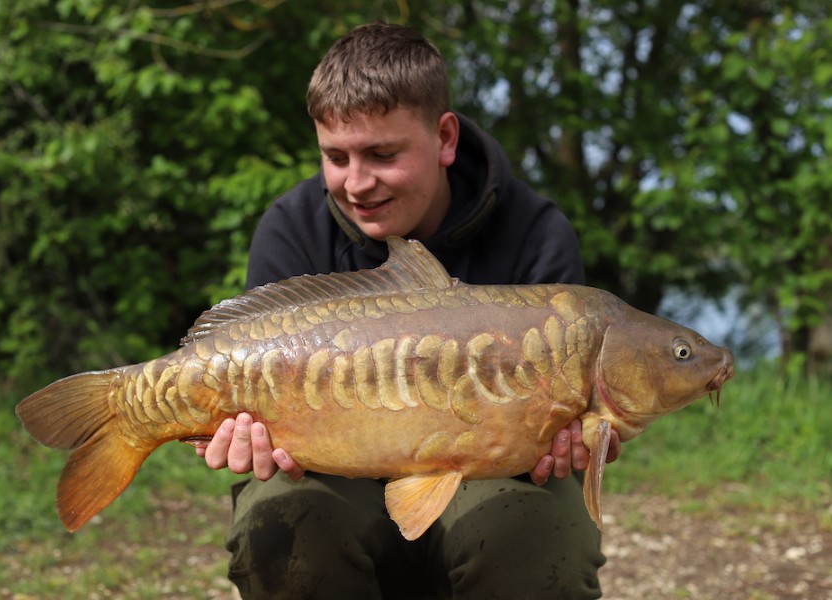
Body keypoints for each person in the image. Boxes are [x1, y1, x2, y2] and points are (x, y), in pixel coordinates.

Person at [196, 22, 621, 599]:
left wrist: (578, 436)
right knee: (283, 524)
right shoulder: (293, 229)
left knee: (538, 535)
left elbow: (561, 427)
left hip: (490, 478)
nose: (356, 183)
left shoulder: (535, 233)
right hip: (329, 473)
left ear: (445, 138)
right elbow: (257, 410)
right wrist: (237, 431)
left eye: (382, 154)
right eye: (335, 156)